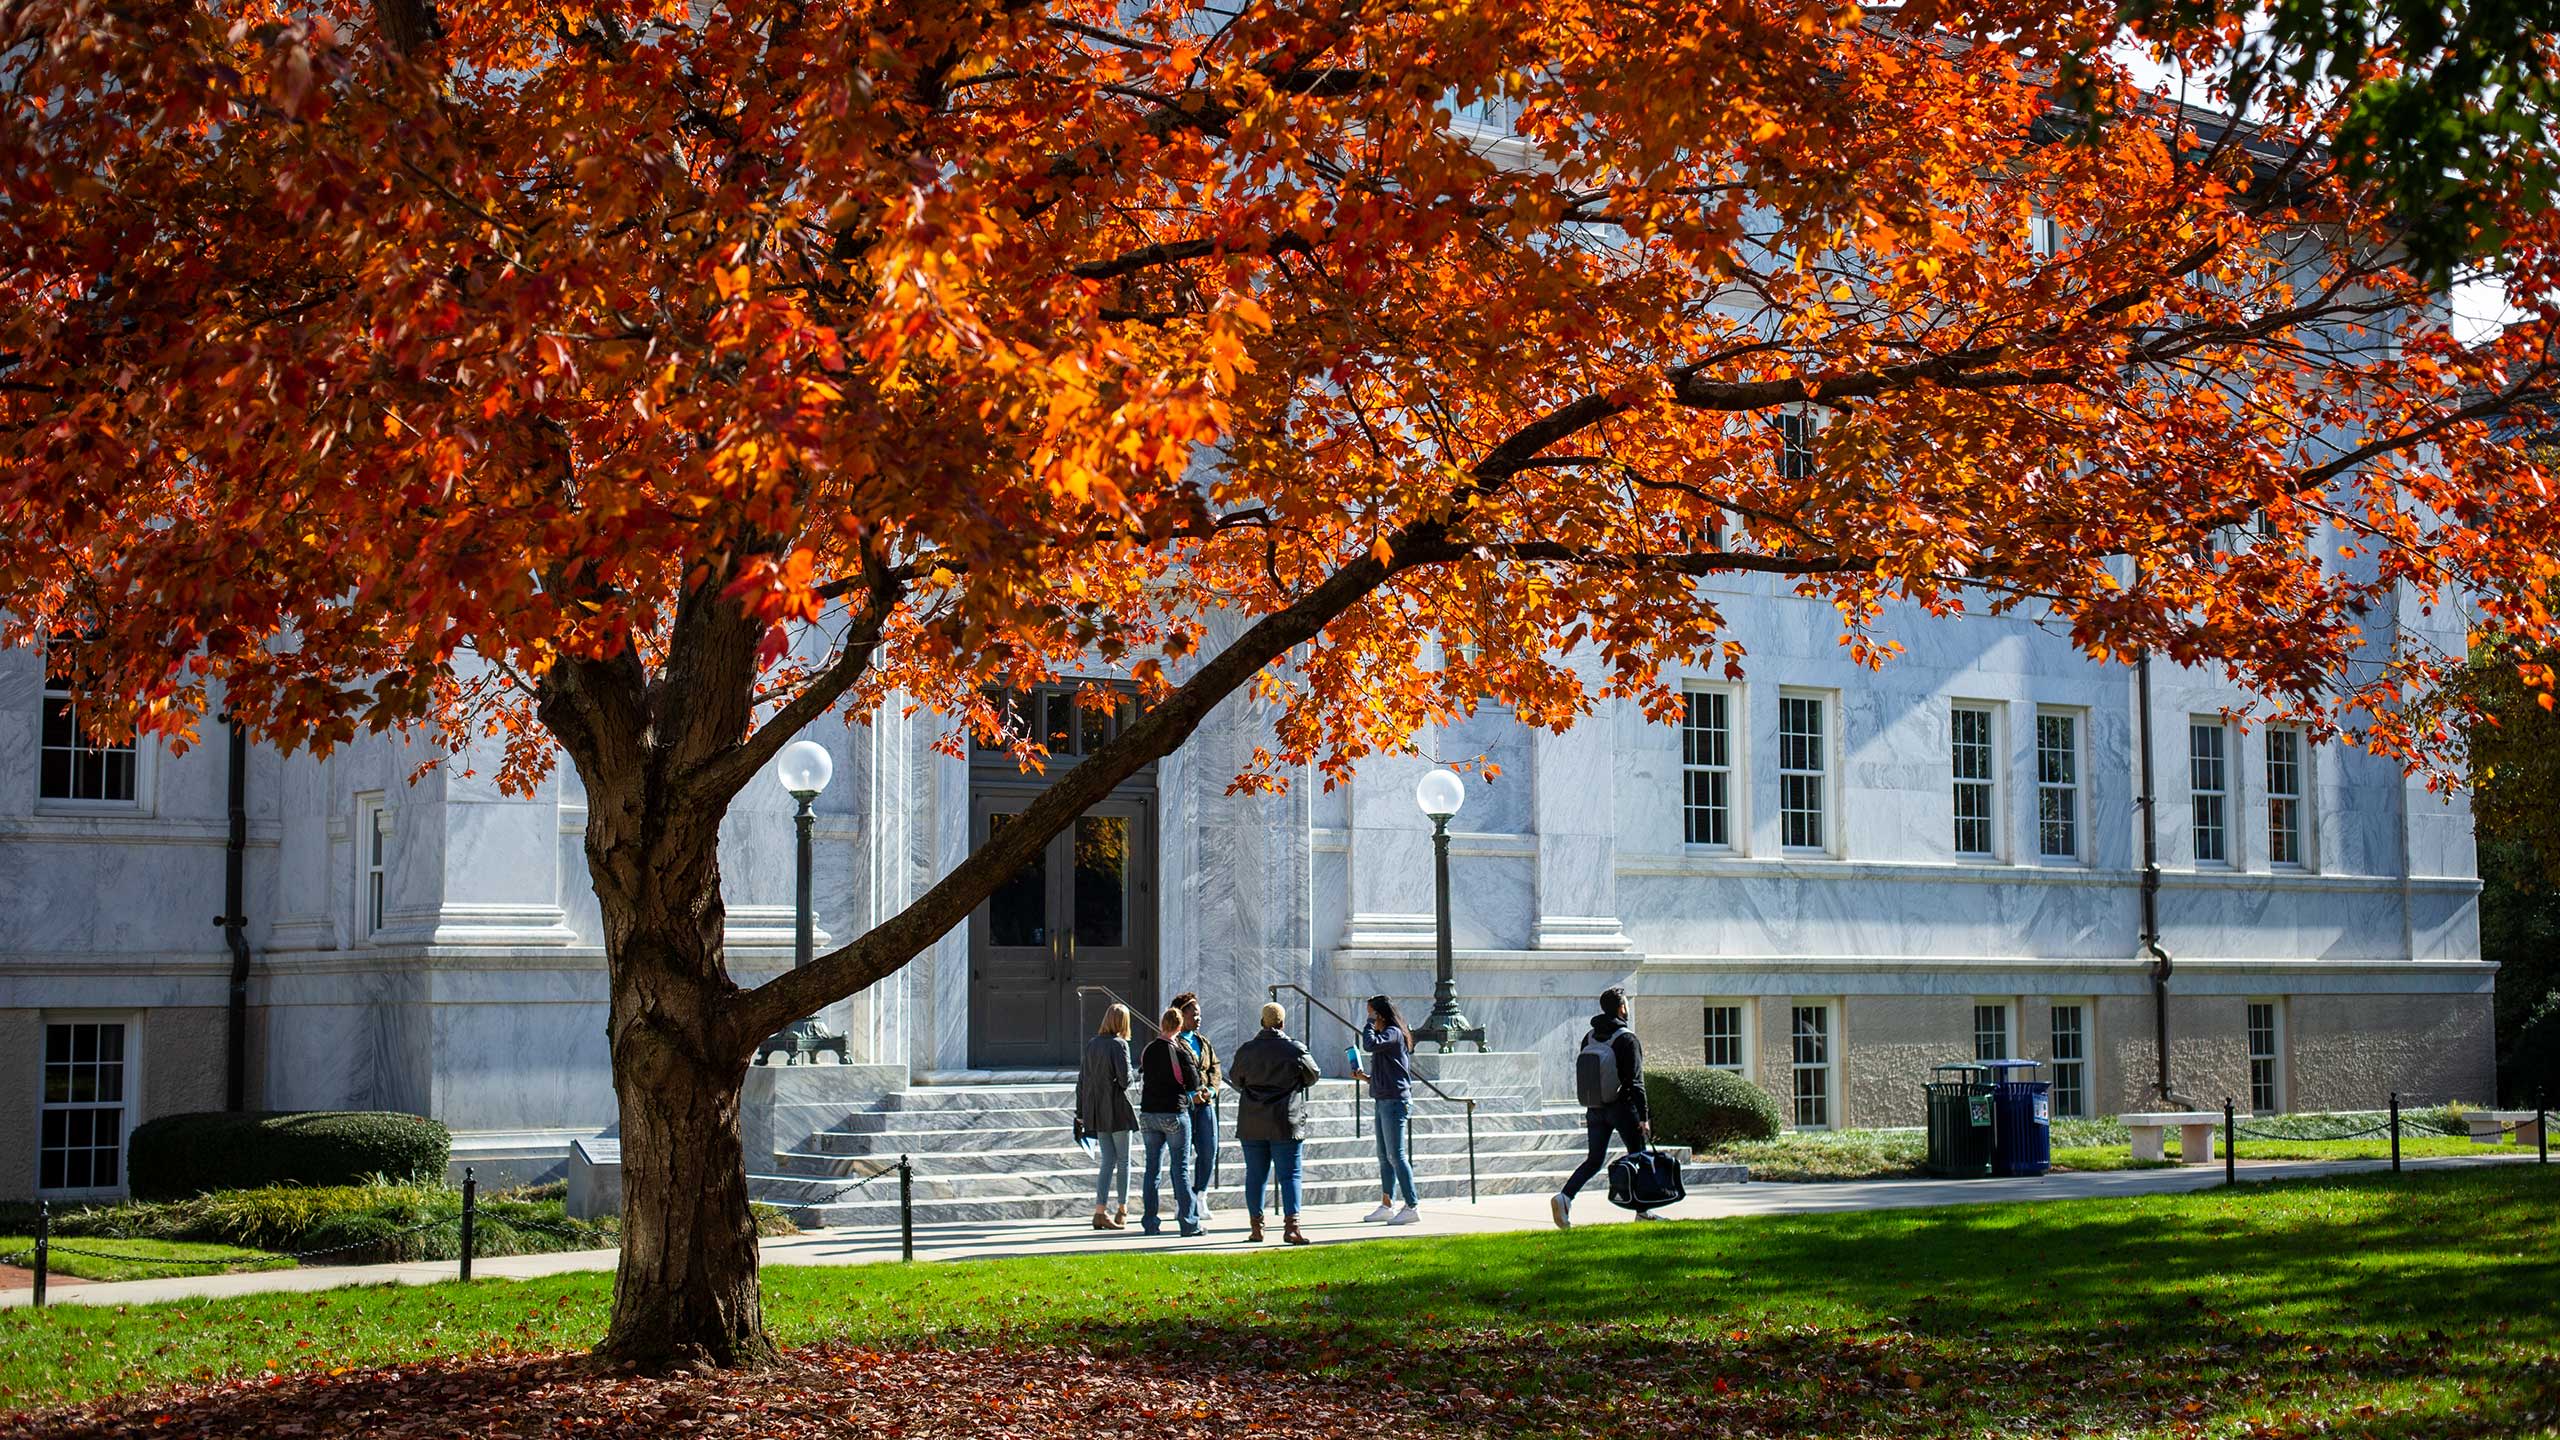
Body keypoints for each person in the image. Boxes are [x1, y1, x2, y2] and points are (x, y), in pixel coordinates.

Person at [1552, 986, 1654, 1229]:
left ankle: (1565, 1197)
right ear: (1621, 1008)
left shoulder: (1589, 1037)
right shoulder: (1627, 1039)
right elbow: (1635, 1082)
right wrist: (1643, 1117)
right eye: (1626, 1004)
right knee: (1638, 1155)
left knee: (1594, 1159)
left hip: (1595, 1107)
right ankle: (1643, 1211)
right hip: (1622, 1107)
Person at [1227, 1000, 1321, 1244]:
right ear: (1282, 1023)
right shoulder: (1295, 1050)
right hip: (1285, 1120)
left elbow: (1236, 1079)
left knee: (1255, 1175)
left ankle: (1256, 1227)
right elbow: (1313, 1076)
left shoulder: (1247, 1050)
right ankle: (1292, 1227)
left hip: (1252, 1120)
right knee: (1290, 1175)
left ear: (1262, 1022)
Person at [1352, 994, 1420, 1224]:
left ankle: (1412, 1205)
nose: (1369, 1018)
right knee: (1384, 1156)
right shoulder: (1386, 1036)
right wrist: (1365, 1078)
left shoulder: (1393, 1033)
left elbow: (1369, 1044)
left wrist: (1370, 1023)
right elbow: (1387, 1074)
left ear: (1380, 1014)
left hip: (1395, 1102)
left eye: (1371, 1013)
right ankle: (1387, 1203)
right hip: (1383, 1098)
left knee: (1396, 1155)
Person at [1137, 1005, 1204, 1236]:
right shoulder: (1179, 1051)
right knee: (1180, 1169)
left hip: (1148, 1115)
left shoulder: (1148, 1049)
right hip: (1173, 1113)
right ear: (1178, 1026)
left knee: (1152, 1169)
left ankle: (1150, 1223)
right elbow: (1194, 1084)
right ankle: (1189, 1223)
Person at [1076, 1003, 1138, 1230]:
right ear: (1123, 1023)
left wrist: (1081, 1112)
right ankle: (1122, 1210)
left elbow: (1082, 1081)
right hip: (1118, 1110)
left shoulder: (1092, 1044)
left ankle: (1099, 1211)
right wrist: (1132, 1074)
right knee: (1123, 1161)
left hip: (1098, 1112)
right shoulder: (1120, 1045)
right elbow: (1125, 1081)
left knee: (1107, 1161)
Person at [1171, 991, 1222, 1218]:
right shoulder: (1173, 1043)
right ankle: (1181, 1200)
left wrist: (1211, 1090)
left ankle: (1200, 1194)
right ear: (1181, 1016)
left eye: (1199, 1015)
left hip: (1205, 1105)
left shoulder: (1203, 1042)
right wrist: (1191, 1095)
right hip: (1184, 1106)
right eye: (1194, 1014)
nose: (1199, 1019)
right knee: (1181, 1155)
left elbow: (1215, 1068)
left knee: (1208, 1150)